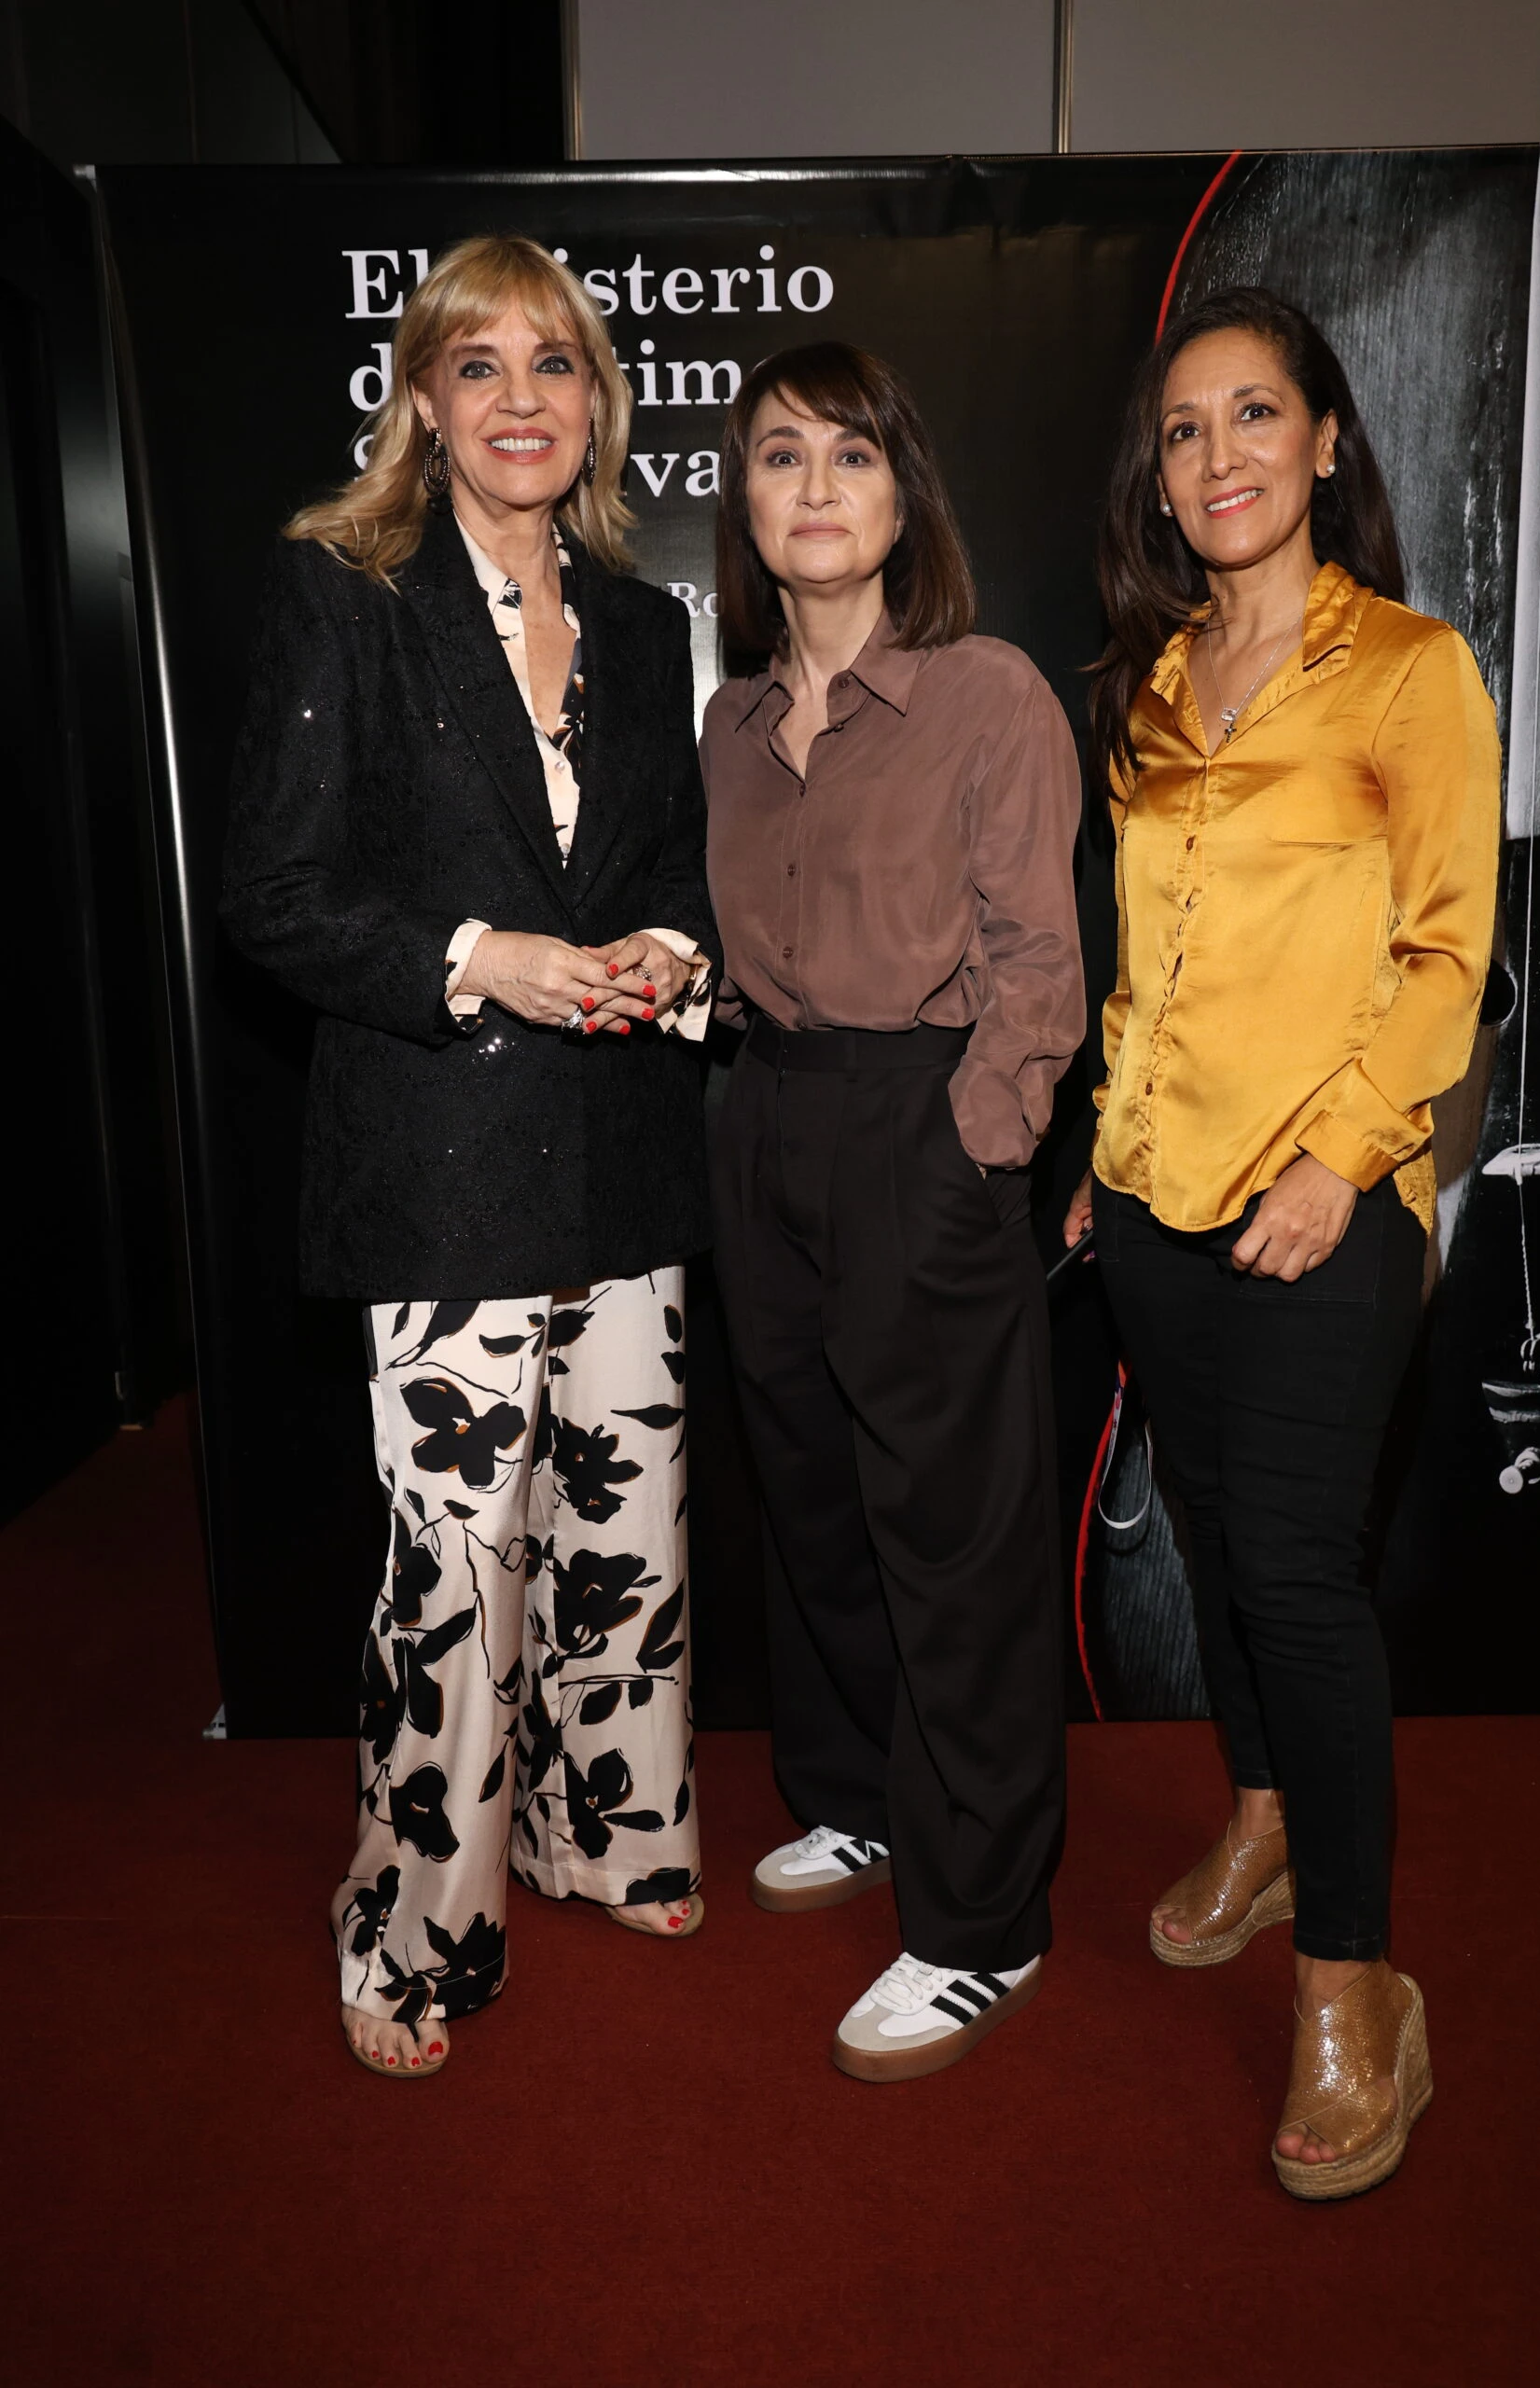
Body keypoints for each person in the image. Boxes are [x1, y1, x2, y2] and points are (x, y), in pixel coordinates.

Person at [222, 236, 718, 2081]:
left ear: (597, 400)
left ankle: (616, 1831)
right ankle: (415, 1919)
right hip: (438, 1157)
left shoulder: (650, 623)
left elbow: (670, 866)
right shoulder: (341, 595)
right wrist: (473, 958)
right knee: (454, 1565)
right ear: (422, 397)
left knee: (628, 1526)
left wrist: (671, 951)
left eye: (558, 364)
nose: (522, 397)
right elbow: (272, 891)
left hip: (625, 1149)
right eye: (479, 363)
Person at [1067, 285, 1499, 2196]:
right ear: (1157, 479)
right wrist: (1107, 1146)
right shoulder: (1144, 691)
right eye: (1184, 428)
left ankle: (1352, 1981)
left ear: (1326, 440)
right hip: (1155, 1201)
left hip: (1328, 1200)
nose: (1220, 453)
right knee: (1224, 1541)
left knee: (1300, 1576)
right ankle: (1251, 1808)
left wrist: (1339, 1155)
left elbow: (1445, 951)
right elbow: (1142, 967)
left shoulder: (1412, 667)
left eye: (1255, 415)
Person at [701, 340, 1085, 2084]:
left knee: (953, 1535)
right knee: (811, 1502)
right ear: (747, 503)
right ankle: (854, 1800)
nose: (816, 487)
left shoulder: (985, 692)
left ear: (900, 494)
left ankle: (985, 1922)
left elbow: (1036, 976)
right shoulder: (727, 720)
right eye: (781, 458)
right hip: (762, 1122)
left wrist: (969, 1158)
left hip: (916, 1131)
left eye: (851, 457)